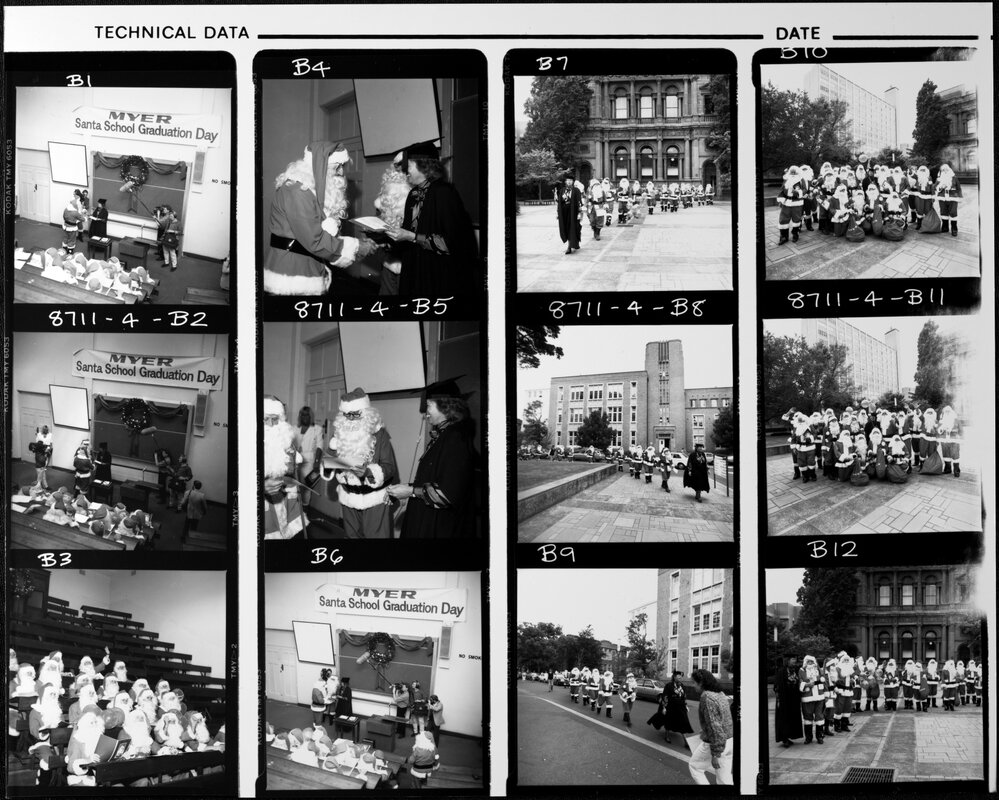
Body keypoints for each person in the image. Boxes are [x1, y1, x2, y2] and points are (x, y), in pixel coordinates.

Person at [264, 140, 374, 295]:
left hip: (306, 265)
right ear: (319, 164)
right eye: (337, 166)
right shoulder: (298, 191)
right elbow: (314, 240)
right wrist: (356, 247)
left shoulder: (310, 189)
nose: (342, 173)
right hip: (290, 273)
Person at [383, 140, 478, 296]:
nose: (405, 171)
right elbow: (407, 233)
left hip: (435, 272)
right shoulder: (413, 195)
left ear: (424, 167)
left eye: (410, 166)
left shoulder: (445, 194)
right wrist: (386, 238)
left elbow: (452, 243)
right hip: (413, 268)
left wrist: (412, 236)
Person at [388, 379, 477, 538]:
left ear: (445, 407)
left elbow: (446, 494)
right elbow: (433, 477)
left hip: (440, 526)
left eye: (428, 405)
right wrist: (405, 488)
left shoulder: (456, 438)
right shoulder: (445, 435)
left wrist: (410, 491)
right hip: (427, 517)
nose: (425, 412)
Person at [320, 389, 399, 539]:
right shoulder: (338, 434)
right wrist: (329, 458)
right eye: (346, 414)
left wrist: (368, 472)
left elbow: (389, 467)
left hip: (374, 498)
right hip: (348, 496)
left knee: (376, 538)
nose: (350, 419)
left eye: (355, 414)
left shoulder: (380, 434)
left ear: (366, 413)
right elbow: (328, 463)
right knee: (351, 537)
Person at [262, 396, 307, 539]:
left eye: (275, 419)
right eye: (265, 419)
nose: (270, 424)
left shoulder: (283, 441)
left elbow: (291, 473)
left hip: (283, 504)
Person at [688, 669, 733, 785]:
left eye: (694, 682)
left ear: (701, 683)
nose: (693, 686)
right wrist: (706, 729)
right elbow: (721, 719)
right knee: (724, 778)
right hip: (730, 740)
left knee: (695, 766)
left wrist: (715, 754)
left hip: (717, 743)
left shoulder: (707, 697)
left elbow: (715, 727)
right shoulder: (720, 694)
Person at [294, 407, 325, 507]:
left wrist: (316, 462)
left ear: (310, 416)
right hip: (295, 460)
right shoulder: (294, 428)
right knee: (295, 485)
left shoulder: (317, 429)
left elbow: (319, 447)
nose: (304, 417)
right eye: (302, 415)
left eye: (307, 415)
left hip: (309, 460)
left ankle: (305, 508)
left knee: (306, 487)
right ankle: (296, 510)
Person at [774, 655, 803, 747]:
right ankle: (784, 738)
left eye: (795, 659)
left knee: (792, 718)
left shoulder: (795, 670)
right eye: (792, 659)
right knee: (784, 718)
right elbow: (777, 686)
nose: (794, 661)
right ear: (787, 661)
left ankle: (790, 736)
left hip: (793, 699)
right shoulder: (781, 671)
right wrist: (779, 697)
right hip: (784, 699)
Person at [798, 655, 827, 744]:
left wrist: (826, 694)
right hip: (807, 697)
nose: (810, 663)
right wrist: (806, 685)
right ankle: (808, 737)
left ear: (814, 663)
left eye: (811, 662)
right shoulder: (802, 670)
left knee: (819, 717)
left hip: (819, 696)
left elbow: (824, 680)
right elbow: (799, 681)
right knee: (807, 718)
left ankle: (819, 736)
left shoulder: (818, 670)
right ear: (805, 663)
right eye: (808, 662)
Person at [554, 174, 582, 255]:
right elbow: (559, 203)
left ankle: (572, 245)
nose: (569, 182)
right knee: (567, 228)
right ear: (565, 182)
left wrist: (579, 213)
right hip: (565, 213)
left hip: (574, 213)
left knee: (575, 228)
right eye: (567, 180)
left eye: (570, 180)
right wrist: (558, 213)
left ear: (573, 182)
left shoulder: (576, 190)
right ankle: (570, 245)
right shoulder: (562, 190)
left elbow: (579, 202)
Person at [155, 206, 182, 271]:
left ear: (175, 216)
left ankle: (174, 265)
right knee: (165, 251)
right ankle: (166, 262)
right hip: (166, 238)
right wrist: (163, 237)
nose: (170, 217)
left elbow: (180, 232)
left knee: (172, 253)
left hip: (173, 239)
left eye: (171, 216)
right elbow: (165, 230)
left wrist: (172, 231)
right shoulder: (169, 222)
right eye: (170, 216)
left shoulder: (178, 223)